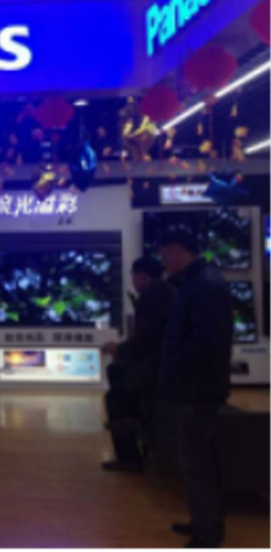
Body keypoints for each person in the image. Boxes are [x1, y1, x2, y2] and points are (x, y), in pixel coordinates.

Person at [158, 229, 233, 552]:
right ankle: (203, 522)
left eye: (164, 254)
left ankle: (207, 535)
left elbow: (204, 342)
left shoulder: (203, 286)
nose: (164, 262)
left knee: (198, 463)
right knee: (198, 461)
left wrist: (175, 368)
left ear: (177, 250)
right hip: (196, 386)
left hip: (196, 389)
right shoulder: (200, 282)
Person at [101, 256, 176, 474]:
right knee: (117, 376)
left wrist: (119, 349)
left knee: (116, 396)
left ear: (142, 275)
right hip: (165, 365)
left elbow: (146, 339)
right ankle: (134, 425)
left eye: (133, 276)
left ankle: (128, 455)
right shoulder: (168, 291)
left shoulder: (151, 295)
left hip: (155, 371)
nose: (132, 281)